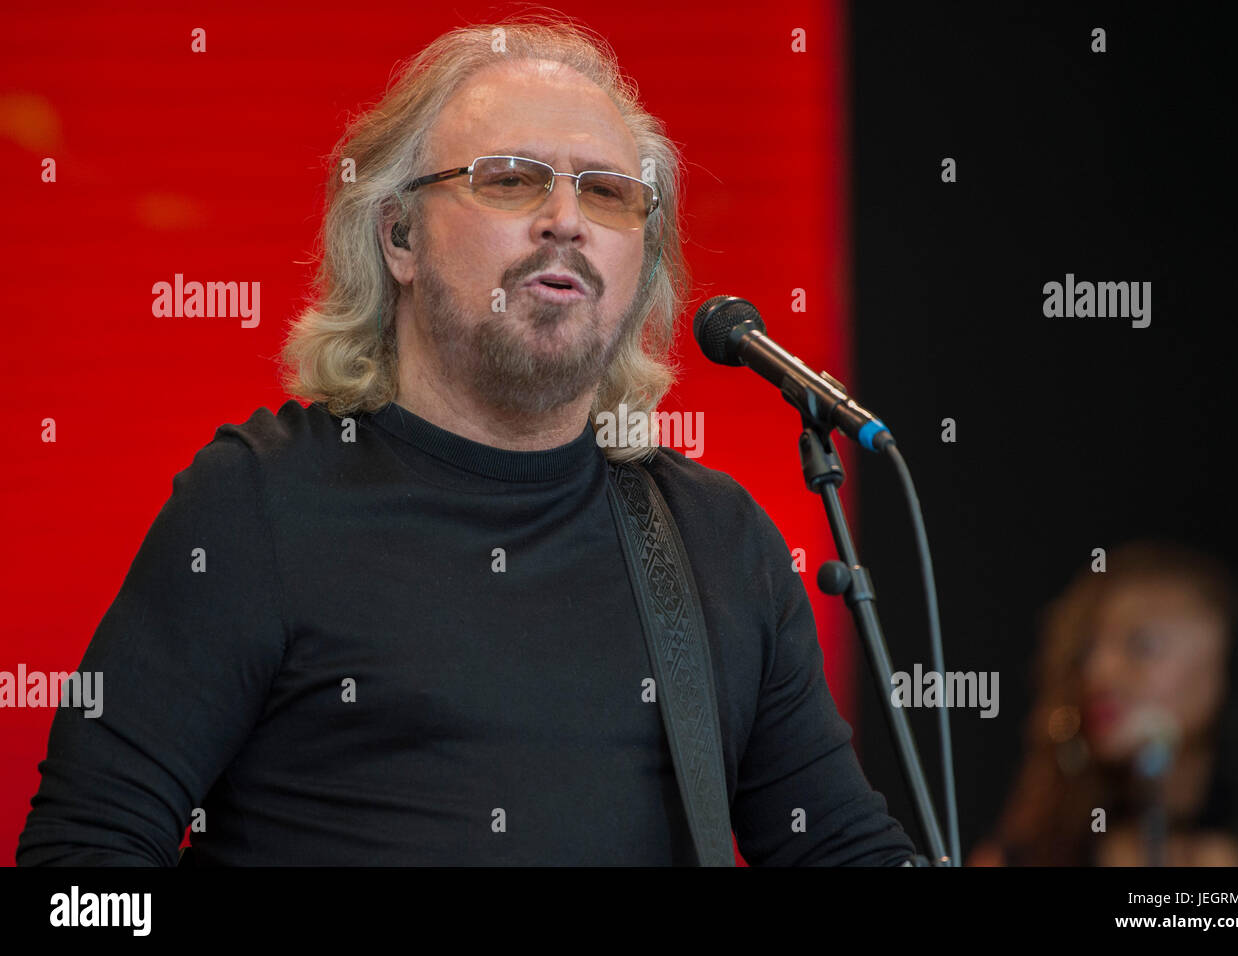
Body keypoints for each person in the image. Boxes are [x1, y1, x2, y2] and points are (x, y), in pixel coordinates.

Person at [16, 17, 916, 867]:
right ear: (398, 235)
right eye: (512, 178)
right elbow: (80, 875)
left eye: (607, 194)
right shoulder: (258, 504)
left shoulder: (717, 542)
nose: (567, 219)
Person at [970, 541, 1238, 866]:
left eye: (1144, 645)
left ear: (1230, 669)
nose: (1097, 672)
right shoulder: (1025, 854)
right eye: (1087, 650)